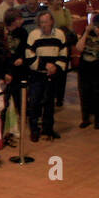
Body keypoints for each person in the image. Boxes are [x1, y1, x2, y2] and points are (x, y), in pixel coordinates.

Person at [25, 10, 67, 141]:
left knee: (49, 103)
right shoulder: (33, 35)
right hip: (37, 75)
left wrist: (55, 67)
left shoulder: (60, 35)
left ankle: (48, 129)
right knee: (35, 103)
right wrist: (45, 66)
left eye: (46, 22)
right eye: (41, 22)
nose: (44, 25)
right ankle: (34, 131)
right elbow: (29, 56)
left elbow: (64, 54)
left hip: (52, 75)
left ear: (52, 22)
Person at [75, 12, 99, 130]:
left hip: (97, 69)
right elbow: (79, 48)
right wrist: (86, 32)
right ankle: (85, 118)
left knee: (98, 95)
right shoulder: (87, 33)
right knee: (84, 94)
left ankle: (98, 120)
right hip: (84, 68)